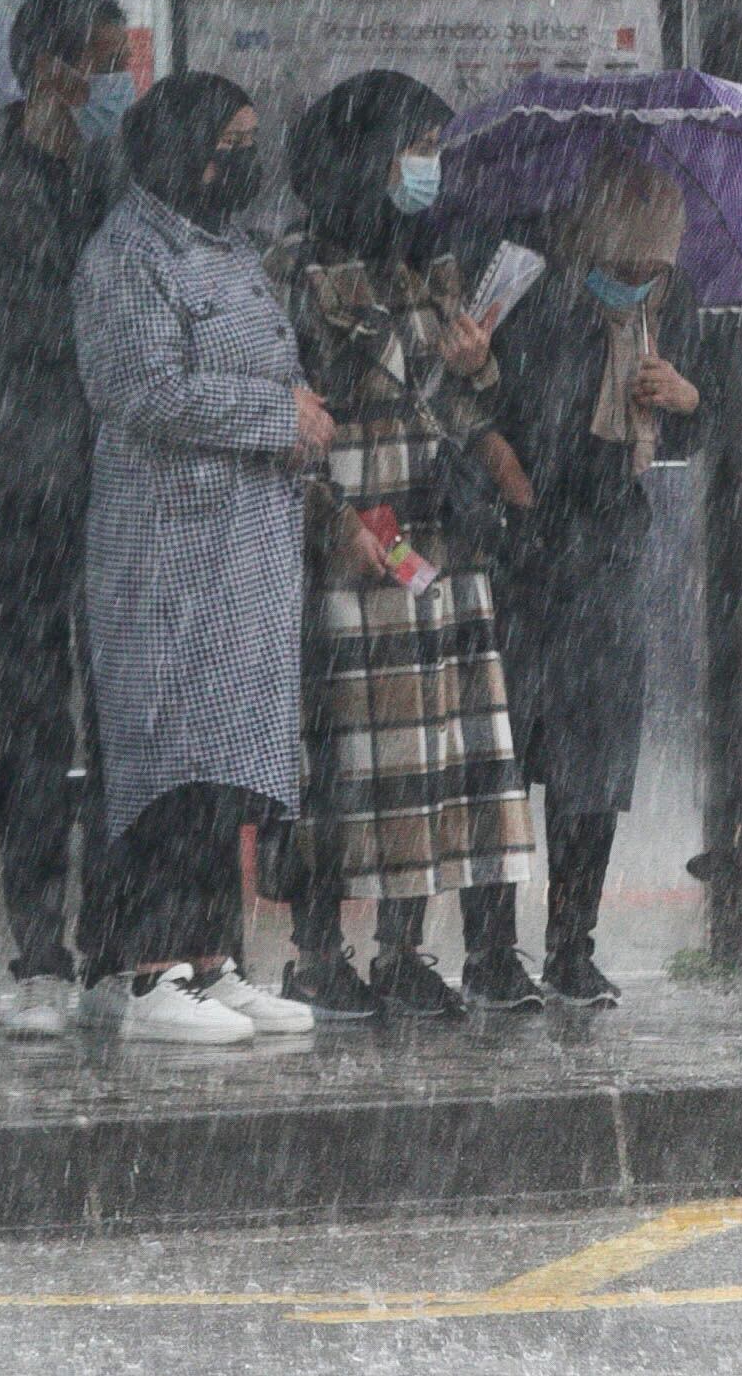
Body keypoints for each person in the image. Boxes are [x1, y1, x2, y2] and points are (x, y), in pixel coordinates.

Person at [273, 72, 538, 1019]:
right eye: (413, 146)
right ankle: (317, 953)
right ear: (366, 154)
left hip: (437, 547)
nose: (427, 167)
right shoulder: (295, 273)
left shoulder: (434, 265)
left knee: (434, 759)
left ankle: (402, 954)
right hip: (355, 544)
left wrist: (478, 367)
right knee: (346, 764)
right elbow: (284, 419)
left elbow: (465, 408)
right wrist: (328, 523)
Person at [72, 73, 324, 1045]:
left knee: (223, 764)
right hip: (167, 553)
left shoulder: (233, 251)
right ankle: (144, 972)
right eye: (229, 144)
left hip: (246, 552)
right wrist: (276, 416)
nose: (243, 163)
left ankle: (212, 961)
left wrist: (295, 416)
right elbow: (143, 388)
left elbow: (273, 364)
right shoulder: (128, 257)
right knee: (165, 760)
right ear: (180, 147)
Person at [0, 0, 130, 1037]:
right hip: (14, 477)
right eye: (105, 60)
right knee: (34, 710)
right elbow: (13, 326)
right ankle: (37, 946)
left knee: (120, 703)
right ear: (54, 69)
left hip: (109, 478)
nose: (116, 82)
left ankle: (111, 936)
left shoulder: (118, 180)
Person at [480, 149, 702, 1009]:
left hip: (610, 563)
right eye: (623, 266)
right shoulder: (532, 299)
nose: (639, 282)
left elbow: (695, 434)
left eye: (655, 269)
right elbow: (490, 413)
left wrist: (683, 399)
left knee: (593, 771)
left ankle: (572, 946)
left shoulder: (663, 316)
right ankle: (493, 950)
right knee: (504, 764)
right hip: (527, 556)